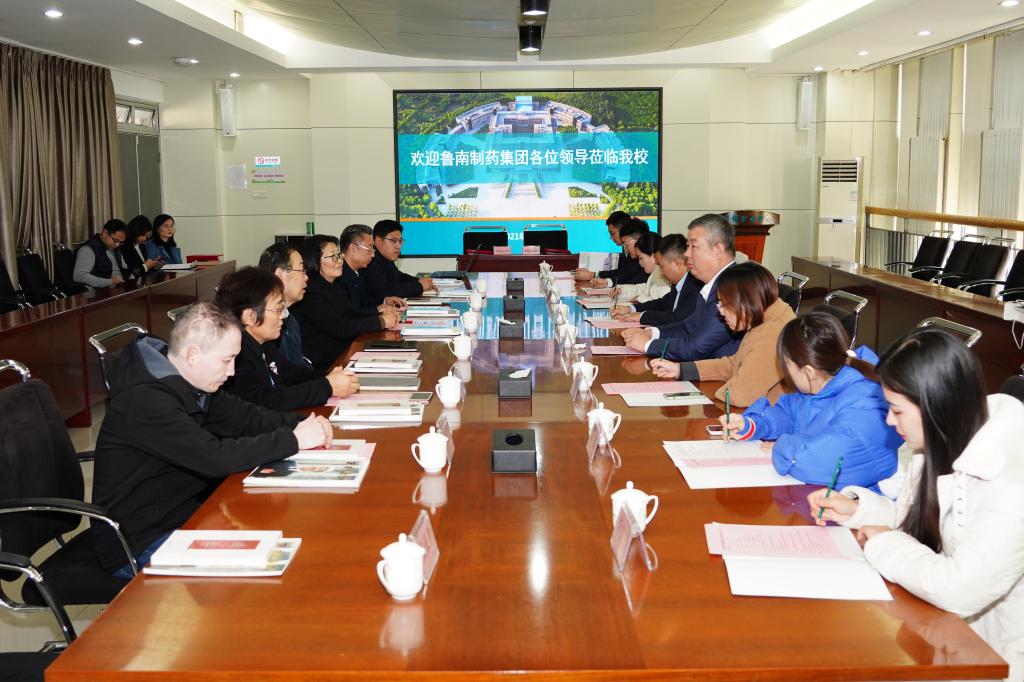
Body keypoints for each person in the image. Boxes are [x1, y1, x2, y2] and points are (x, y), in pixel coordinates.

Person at [810, 328, 1024, 681]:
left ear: (935, 406)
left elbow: (958, 588)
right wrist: (859, 510)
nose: (889, 421)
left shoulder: (1012, 478)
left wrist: (881, 542)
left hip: (998, 658)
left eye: (896, 410)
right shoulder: (940, 442)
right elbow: (922, 526)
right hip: (947, 637)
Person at [90, 302, 333, 575]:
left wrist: (301, 424)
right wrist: (294, 440)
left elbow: (245, 417)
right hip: (139, 542)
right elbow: (214, 457)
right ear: (193, 355)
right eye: (226, 360)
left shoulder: (191, 380)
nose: (231, 372)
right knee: (269, 572)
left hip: (188, 514)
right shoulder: (146, 401)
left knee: (290, 532)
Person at [721, 312, 901, 491]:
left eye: (787, 367)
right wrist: (752, 424)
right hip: (817, 495)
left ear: (808, 371)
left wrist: (785, 446)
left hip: (860, 504)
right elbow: (788, 413)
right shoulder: (819, 384)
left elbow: (824, 461)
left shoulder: (867, 403)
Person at [651, 261, 796, 406]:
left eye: (724, 304)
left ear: (745, 301)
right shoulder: (764, 319)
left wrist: (710, 393)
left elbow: (739, 395)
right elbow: (735, 364)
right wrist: (681, 370)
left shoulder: (772, 334)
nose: (720, 311)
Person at [215, 267, 359, 410]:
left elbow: (292, 375)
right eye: (278, 309)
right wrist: (327, 386)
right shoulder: (235, 357)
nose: (283, 316)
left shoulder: (265, 344)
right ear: (250, 317)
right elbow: (268, 401)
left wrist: (329, 376)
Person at [623, 213, 742, 361]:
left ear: (718, 249)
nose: (687, 253)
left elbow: (696, 347)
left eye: (693, 246)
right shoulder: (714, 284)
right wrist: (651, 333)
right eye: (687, 246)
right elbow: (687, 327)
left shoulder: (734, 288)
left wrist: (648, 344)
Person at [293, 235, 402, 372]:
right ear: (314, 260)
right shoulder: (311, 292)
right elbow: (339, 328)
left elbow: (351, 314)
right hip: (324, 365)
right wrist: (380, 321)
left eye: (339, 255)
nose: (340, 260)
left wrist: (379, 313)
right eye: (334, 257)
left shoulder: (332, 285)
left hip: (342, 353)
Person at [611, 233, 701, 327]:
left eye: (662, 266)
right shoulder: (679, 283)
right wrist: (631, 309)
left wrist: (642, 316)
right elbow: (663, 303)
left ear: (677, 262)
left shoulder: (695, 285)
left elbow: (677, 318)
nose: (661, 273)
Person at [258, 241, 312, 369]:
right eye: (302, 270)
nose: (306, 277)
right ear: (280, 275)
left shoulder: (290, 320)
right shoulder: (265, 326)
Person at [337, 224, 406, 312]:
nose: (373, 255)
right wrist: (378, 314)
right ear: (353, 248)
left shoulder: (358, 273)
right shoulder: (339, 278)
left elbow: (365, 304)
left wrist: (385, 301)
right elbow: (350, 315)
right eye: (369, 249)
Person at [364, 219, 434, 304]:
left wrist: (422, 281)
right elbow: (385, 291)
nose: (398, 246)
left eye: (400, 241)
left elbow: (400, 277)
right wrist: (419, 286)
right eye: (394, 241)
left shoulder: (385, 259)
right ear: (378, 241)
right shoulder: (370, 261)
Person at [609, 232, 670, 305]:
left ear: (654, 255)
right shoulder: (655, 273)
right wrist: (622, 290)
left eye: (641, 258)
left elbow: (661, 303)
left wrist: (641, 299)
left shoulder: (665, 277)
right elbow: (644, 289)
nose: (640, 263)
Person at [573, 210, 633, 282]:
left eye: (612, 234)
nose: (611, 238)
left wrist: (594, 275)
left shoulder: (636, 248)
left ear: (623, 230)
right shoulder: (624, 247)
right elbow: (620, 272)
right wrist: (595, 274)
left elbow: (629, 276)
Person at [590, 218, 650, 288]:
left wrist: (607, 282)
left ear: (637, 240)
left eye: (626, 244)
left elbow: (637, 280)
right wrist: (608, 282)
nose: (626, 249)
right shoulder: (637, 256)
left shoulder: (651, 258)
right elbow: (628, 275)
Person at [73, 218, 130, 288]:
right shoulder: (88, 249)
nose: (117, 244)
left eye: (120, 242)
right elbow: (79, 276)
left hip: (117, 289)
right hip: (98, 292)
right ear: (105, 233)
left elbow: (120, 271)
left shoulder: (112, 248)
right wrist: (110, 281)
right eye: (115, 240)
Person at [120, 215, 161, 279]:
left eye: (146, 235)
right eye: (143, 235)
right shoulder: (124, 247)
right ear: (135, 232)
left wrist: (153, 265)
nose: (145, 238)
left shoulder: (142, 246)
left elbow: (145, 269)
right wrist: (146, 266)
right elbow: (130, 274)